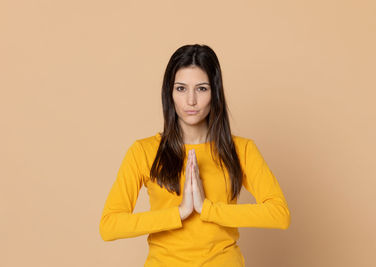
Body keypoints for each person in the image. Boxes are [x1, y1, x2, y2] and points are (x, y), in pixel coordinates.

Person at [99, 44, 290, 266]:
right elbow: (109, 226)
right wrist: (179, 213)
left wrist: (207, 209)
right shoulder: (144, 151)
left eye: (201, 89)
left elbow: (280, 214)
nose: (191, 100)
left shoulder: (241, 150)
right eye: (181, 88)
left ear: (215, 93)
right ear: (169, 93)